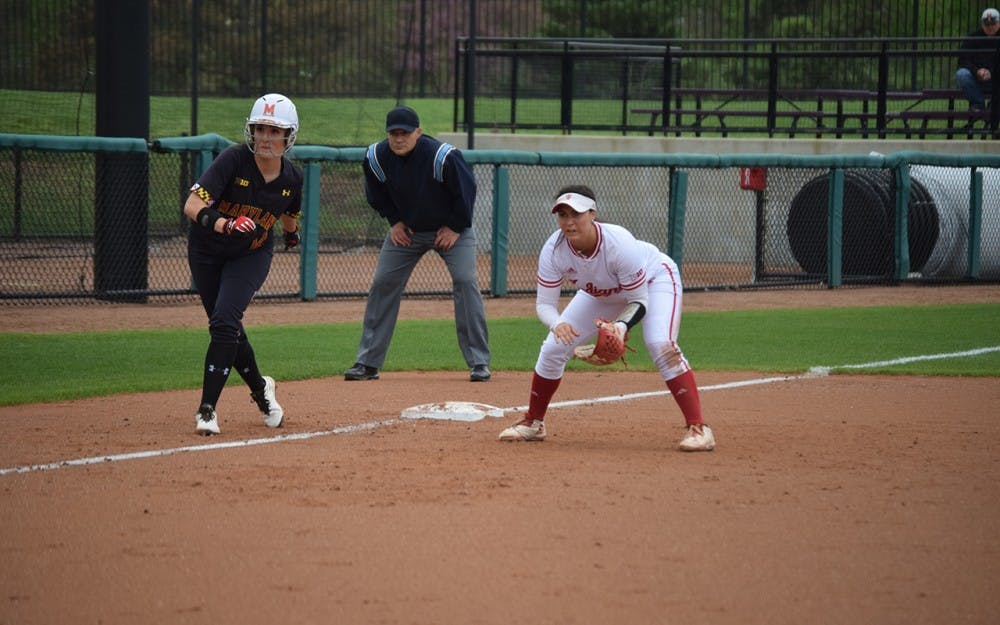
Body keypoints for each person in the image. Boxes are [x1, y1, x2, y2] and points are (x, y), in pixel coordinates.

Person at [498, 185, 714, 452]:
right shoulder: (554, 249)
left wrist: (621, 327)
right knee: (553, 348)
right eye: (562, 215)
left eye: (576, 214)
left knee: (660, 343)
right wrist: (558, 323)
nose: (569, 221)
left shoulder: (618, 243)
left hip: (653, 279)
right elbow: (544, 304)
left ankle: (699, 428)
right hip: (600, 292)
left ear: (592, 214)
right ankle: (534, 422)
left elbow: (639, 300)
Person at [182, 93, 304, 435]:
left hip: (251, 253)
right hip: (207, 250)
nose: (265, 137)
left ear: (288, 136)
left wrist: (291, 237)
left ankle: (207, 409)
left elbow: (290, 213)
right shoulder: (233, 160)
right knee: (227, 327)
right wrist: (224, 223)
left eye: (273, 130)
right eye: (259, 128)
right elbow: (192, 205)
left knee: (224, 321)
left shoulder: (293, 177)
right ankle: (262, 391)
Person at [343, 105, 492, 383]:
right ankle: (367, 363)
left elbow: (466, 191)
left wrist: (455, 227)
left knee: (465, 280)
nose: (399, 138)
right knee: (383, 283)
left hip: (451, 229)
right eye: (394, 133)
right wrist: (395, 221)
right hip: (407, 231)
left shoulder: (442, 156)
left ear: (418, 133)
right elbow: (376, 195)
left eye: (405, 133)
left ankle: (479, 363)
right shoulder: (376, 156)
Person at [955, 8, 999, 112]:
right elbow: (963, 59)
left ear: (999, 23)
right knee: (962, 74)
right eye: (987, 24)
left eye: (993, 24)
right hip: (977, 79)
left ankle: (995, 104)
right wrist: (977, 71)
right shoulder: (973, 37)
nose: (990, 27)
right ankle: (978, 104)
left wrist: (992, 72)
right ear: (982, 24)